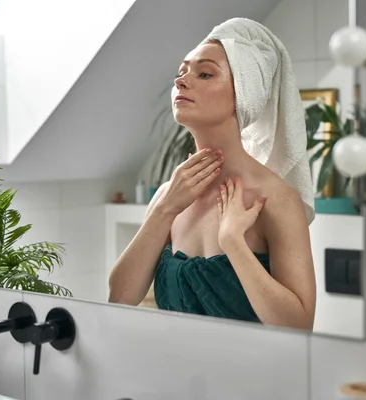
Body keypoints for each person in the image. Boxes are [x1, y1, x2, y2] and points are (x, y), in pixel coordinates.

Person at [108, 18, 316, 330]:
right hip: (175, 374)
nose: (181, 81)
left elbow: (299, 327)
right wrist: (165, 209)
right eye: (181, 73)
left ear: (244, 94)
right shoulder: (170, 195)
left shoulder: (276, 200)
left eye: (205, 73)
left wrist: (233, 242)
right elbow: (120, 298)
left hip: (252, 376)